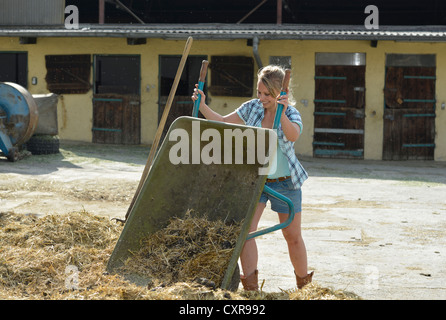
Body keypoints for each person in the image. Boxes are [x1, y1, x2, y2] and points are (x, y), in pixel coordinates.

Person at [191, 65, 313, 290]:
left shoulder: (291, 113)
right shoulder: (253, 108)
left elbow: (293, 135)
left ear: (279, 93)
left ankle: (304, 287)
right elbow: (224, 122)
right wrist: (202, 105)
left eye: (267, 94)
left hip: (285, 183)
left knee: (292, 236)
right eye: (259, 92)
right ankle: (251, 289)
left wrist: (281, 112)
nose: (262, 98)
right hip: (256, 180)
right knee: (245, 231)